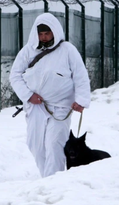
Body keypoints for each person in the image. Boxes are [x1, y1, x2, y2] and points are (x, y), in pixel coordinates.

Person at [9, 12, 91, 177]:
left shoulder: (68, 50)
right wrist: (28, 95)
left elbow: (80, 76)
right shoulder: (28, 51)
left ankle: (53, 183)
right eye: (41, 34)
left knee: (54, 145)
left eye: (47, 33)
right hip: (36, 107)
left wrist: (81, 100)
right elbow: (15, 76)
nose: (44, 37)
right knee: (36, 146)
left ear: (55, 31)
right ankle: (46, 179)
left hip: (61, 107)